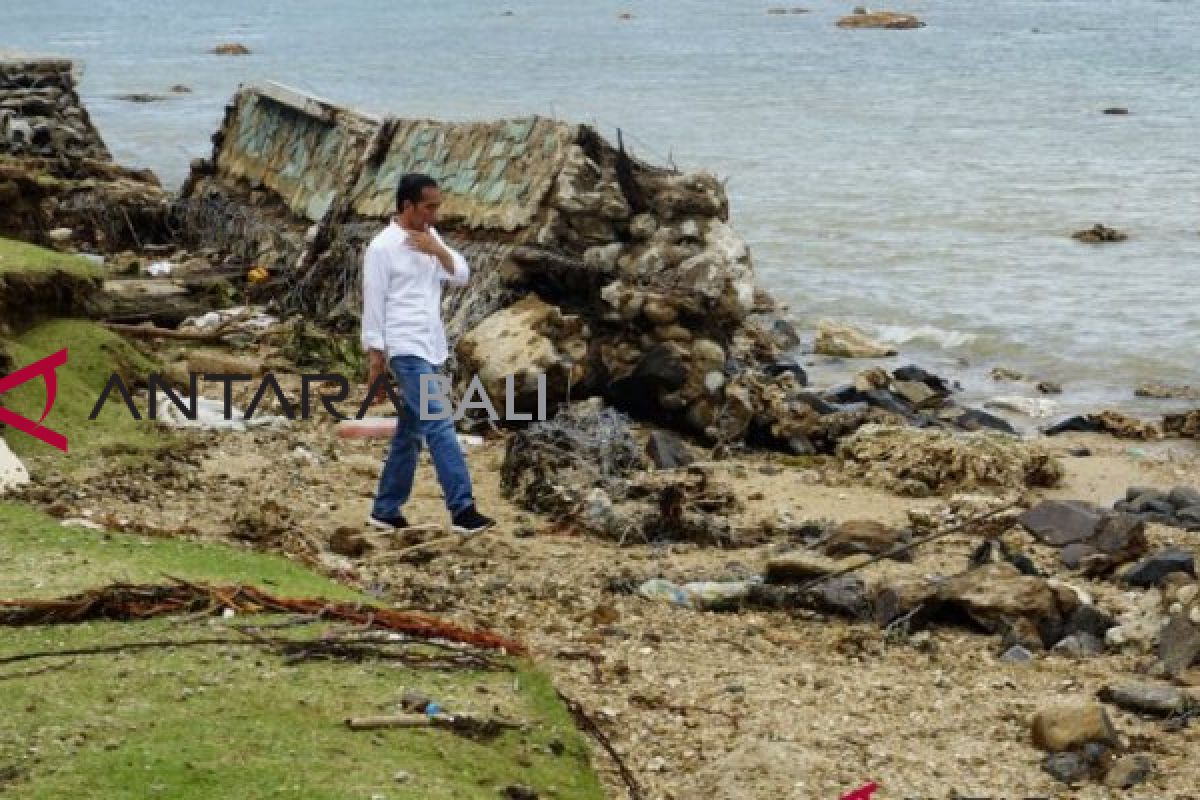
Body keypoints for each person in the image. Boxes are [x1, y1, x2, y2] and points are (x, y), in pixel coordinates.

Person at [361, 172, 495, 535]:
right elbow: (373, 303)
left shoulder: (431, 238)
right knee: (440, 421)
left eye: (437, 206)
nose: (435, 213)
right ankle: (463, 509)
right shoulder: (382, 247)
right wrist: (376, 358)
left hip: (431, 344)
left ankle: (385, 510)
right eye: (429, 206)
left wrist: (436, 249)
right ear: (407, 206)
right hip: (403, 348)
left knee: (411, 432)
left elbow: (461, 275)